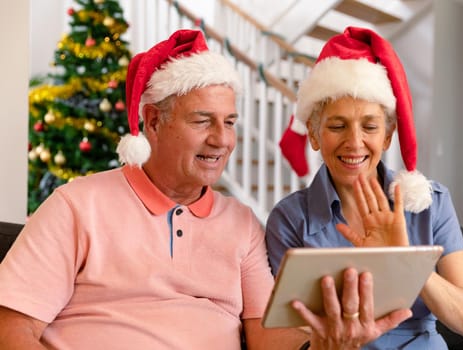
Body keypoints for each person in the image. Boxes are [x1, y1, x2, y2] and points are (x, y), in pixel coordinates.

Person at [0, 29, 411, 350]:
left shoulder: (243, 224)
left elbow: (268, 337)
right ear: (154, 122)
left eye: (229, 122)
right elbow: (12, 327)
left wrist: (325, 343)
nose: (222, 140)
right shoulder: (76, 205)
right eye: (202, 121)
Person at [266, 26, 463, 349]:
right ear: (314, 135)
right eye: (337, 126)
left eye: (369, 126)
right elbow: (292, 336)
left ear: (387, 135)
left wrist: (406, 261)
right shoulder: (289, 219)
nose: (354, 143)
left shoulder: (433, 202)